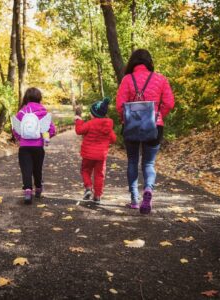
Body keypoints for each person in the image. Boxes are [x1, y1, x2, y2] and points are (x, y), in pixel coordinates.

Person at [116, 49, 175, 214]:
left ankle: (134, 200)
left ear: (132, 62)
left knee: (132, 161)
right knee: (149, 163)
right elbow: (169, 103)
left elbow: (120, 105)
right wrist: (158, 115)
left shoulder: (127, 80)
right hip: (155, 125)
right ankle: (148, 190)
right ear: (149, 61)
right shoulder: (160, 79)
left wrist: (125, 119)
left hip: (132, 125)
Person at [12, 87, 56, 204]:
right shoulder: (43, 112)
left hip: (24, 147)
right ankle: (38, 189)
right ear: (39, 98)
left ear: (26, 97)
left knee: (26, 169)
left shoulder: (22, 112)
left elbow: (15, 128)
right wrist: (44, 137)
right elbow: (52, 129)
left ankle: (27, 191)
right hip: (38, 147)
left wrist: (20, 138)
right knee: (37, 169)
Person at [75, 97, 117, 204]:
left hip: (88, 155)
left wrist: (78, 119)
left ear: (93, 114)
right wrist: (105, 139)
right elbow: (113, 139)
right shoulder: (108, 126)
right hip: (101, 156)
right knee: (99, 174)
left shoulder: (90, 123)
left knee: (85, 170)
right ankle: (97, 196)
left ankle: (88, 187)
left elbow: (79, 130)